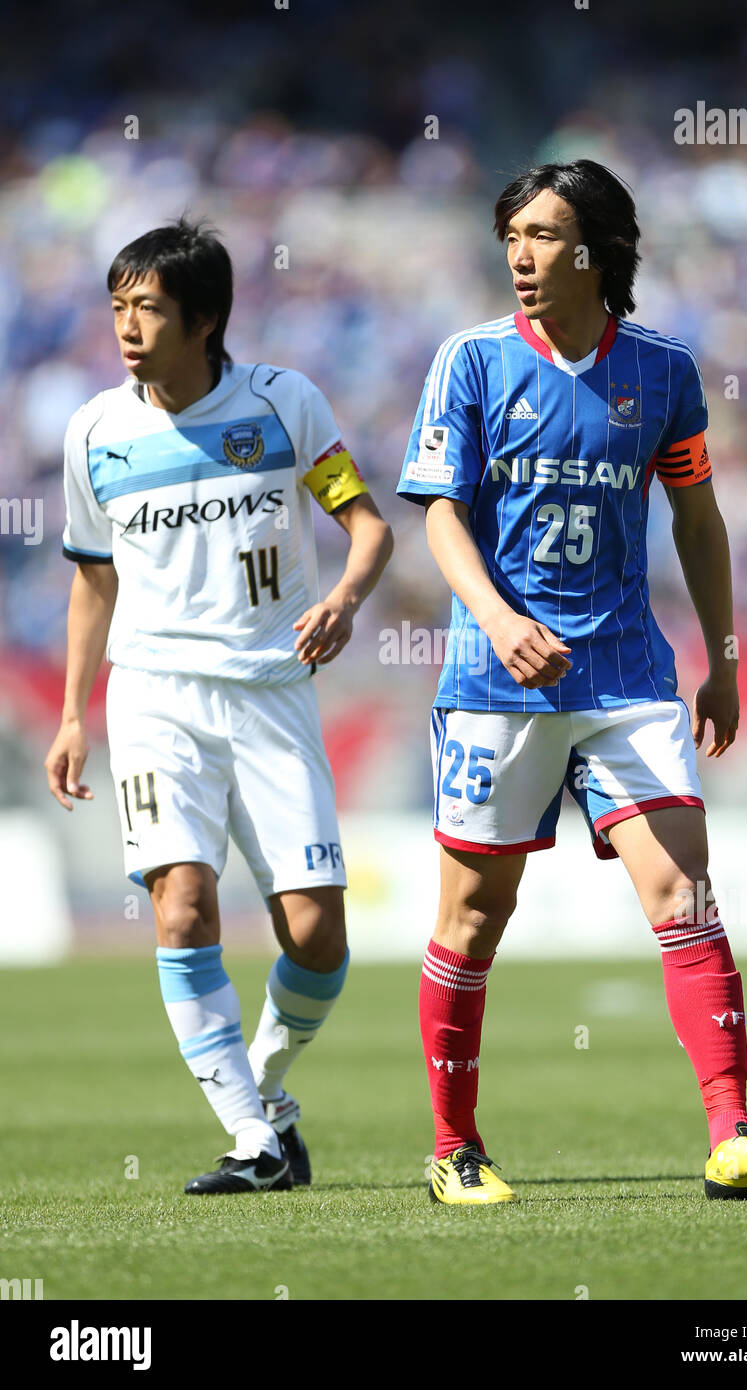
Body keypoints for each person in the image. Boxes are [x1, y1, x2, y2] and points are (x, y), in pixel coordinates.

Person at [397, 160, 747, 1205]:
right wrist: (496, 621)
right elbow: (440, 511)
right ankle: (454, 1146)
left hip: (627, 674)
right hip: (497, 684)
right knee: (473, 918)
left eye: (543, 235)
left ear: (598, 249)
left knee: (682, 892)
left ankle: (731, 1133)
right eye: (512, 237)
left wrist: (719, 661)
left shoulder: (663, 371)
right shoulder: (473, 362)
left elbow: (695, 518)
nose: (521, 256)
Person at [46, 217, 392, 1194]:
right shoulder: (95, 434)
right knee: (183, 905)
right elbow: (91, 582)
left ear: (204, 319)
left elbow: (364, 526)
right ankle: (248, 1135)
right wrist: (74, 711)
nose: (125, 325)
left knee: (316, 933)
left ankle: (270, 1095)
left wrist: (344, 597)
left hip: (272, 692)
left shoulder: (284, 407)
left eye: (147, 308)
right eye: (116, 306)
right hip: (152, 695)